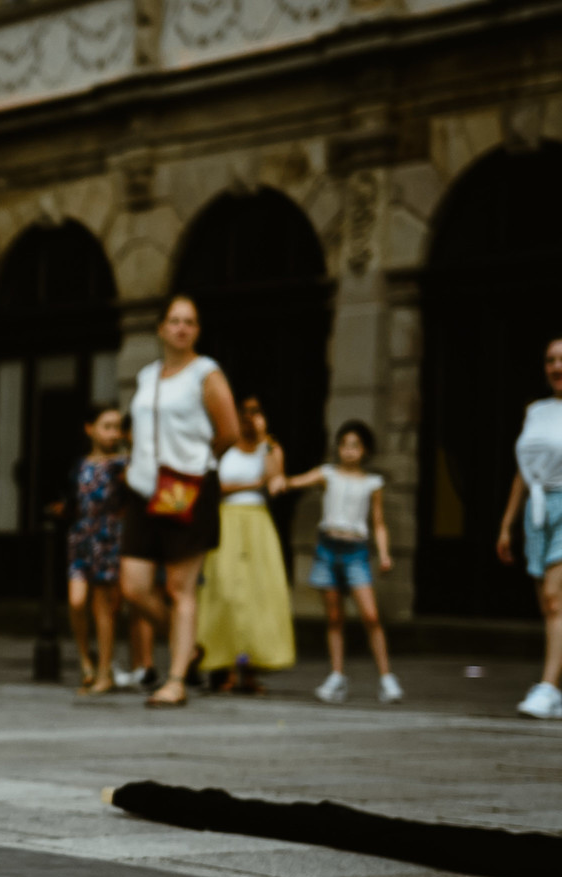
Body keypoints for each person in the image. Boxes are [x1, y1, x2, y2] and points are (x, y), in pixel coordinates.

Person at [120, 295, 240, 707]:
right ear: (160, 328)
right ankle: (187, 646)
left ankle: (175, 680)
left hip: (187, 488)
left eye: (189, 321)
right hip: (144, 488)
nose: (181, 328)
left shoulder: (206, 373)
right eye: (174, 321)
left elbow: (228, 431)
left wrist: (196, 465)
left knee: (179, 587)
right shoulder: (147, 375)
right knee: (133, 585)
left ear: (197, 330)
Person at [277, 420, 401, 704]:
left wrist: (383, 553)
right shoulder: (327, 474)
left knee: (370, 615)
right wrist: (278, 475)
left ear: (365, 450)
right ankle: (337, 674)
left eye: (354, 445)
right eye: (344, 445)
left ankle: (386, 676)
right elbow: (295, 481)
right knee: (334, 618)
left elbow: (378, 523)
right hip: (328, 548)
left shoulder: (372, 482)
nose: (348, 451)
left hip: (355, 548)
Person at [196, 395, 295, 694]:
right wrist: (254, 484)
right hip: (227, 520)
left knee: (256, 595)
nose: (249, 418)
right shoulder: (223, 446)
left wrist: (263, 440)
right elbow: (217, 487)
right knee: (225, 592)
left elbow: (276, 482)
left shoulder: (271, 447)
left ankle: (249, 668)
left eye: (255, 412)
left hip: (257, 523)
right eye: (244, 412)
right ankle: (223, 666)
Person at [496, 337, 562, 719]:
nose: (556, 366)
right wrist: (506, 524)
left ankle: (548, 685)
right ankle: (554, 689)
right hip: (536, 510)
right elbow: (524, 472)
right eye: (550, 359)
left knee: (555, 600)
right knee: (549, 606)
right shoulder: (535, 411)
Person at [64, 405, 126, 696]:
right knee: (77, 601)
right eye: (107, 426)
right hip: (82, 536)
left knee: (103, 608)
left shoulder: (121, 464)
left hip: (108, 537)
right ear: (90, 428)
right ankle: (85, 660)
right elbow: (73, 499)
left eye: (117, 427)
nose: (113, 434)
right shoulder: (80, 465)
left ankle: (104, 670)